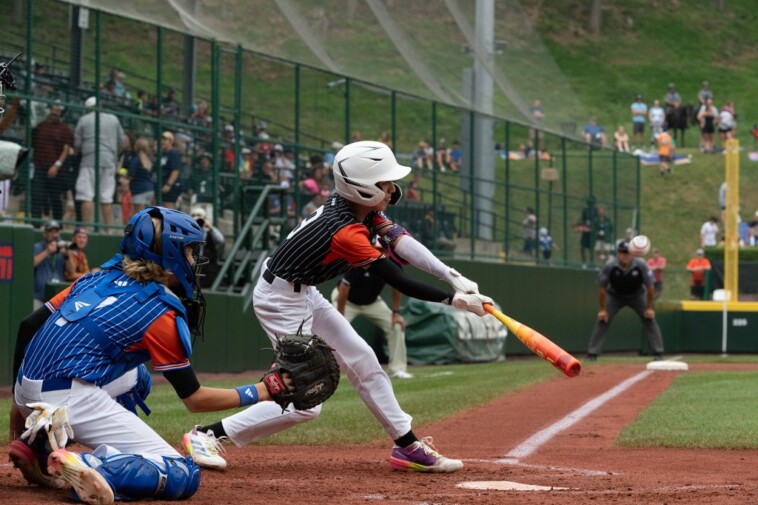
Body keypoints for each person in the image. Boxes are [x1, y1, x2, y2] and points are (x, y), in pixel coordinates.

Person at [182, 140, 492, 474]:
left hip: (304, 292)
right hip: (280, 300)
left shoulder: (358, 207)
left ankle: (407, 446)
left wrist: (452, 276)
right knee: (304, 398)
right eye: (385, 182)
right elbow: (397, 279)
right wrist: (452, 300)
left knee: (363, 358)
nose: (392, 188)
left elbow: (401, 241)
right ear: (362, 187)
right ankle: (204, 435)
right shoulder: (344, 230)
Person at [9, 206, 294, 503]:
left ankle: (40, 445)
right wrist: (262, 390)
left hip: (30, 390)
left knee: (138, 379)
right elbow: (194, 399)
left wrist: (20, 403)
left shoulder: (94, 279)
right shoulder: (160, 312)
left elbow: (28, 325)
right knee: (182, 474)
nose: (193, 259)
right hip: (66, 398)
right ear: (169, 254)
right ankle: (96, 466)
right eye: (189, 251)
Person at [332, 256, 413, 379]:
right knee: (332, 330)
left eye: (382, 249)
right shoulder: (359, 260)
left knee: (396, 326)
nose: (379, 252)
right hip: (346, 301)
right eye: (376, 248)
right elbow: (344, 289)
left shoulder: (392, 264)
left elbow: (398, 286)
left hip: (372, 303)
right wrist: (340, 318)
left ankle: (397, 369)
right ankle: (326, 370)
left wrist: (395, 313)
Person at [586, 240, 664, 361]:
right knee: (602, 320)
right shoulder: (610, 265)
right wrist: (602, 309)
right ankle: (592, 353)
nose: (625, 255)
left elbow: (650, 287)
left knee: (650, 319)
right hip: (615, 295)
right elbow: (602, 288)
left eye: (627, 253)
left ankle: (658, 352)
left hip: (637, 295)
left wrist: (649, 307)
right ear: (617, 253)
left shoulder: (641, 265)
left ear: (632, 254)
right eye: (622, 252)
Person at [74, 96, 125, 227]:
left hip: (89, 160)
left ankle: (86, 229)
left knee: (86, 195)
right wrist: (114, 153)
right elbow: (121, 142)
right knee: (106, 197)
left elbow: (77, 144)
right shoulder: (114, 119)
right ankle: (109, 229)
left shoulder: (83, 120)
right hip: (109, 161)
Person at [31, 102, 74, 222]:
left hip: (57, 169)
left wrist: (57, 165)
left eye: (58, 111)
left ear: (61, 113)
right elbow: (32, 142)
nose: (55, 113)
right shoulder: (41, 126)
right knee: (37, 196)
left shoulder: (64, 129)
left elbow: (66, 149)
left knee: (55, 199)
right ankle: (35, 223)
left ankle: (57, 225)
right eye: (53, 110)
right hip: (39, 166)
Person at [33, 220, 66, 309]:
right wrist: (47, 252)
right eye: (50, 231)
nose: (54, 234)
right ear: (45, 234)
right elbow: (31, 264)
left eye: (56, 232)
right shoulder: (38, 247)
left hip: (58, 298)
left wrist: (67, 256)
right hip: (40, 296)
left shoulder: (62, 249)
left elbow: (70, 271)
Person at [190, 206, 224, 288]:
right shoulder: (189, 231)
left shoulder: (209, 231)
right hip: (193, 264)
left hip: (207, 267)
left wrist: (210, 227)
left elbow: (221, 240)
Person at [157, 131, 183, 209]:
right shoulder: (162, 154)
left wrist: (169, 184)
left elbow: (175, 170)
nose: (162, 142)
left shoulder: (173, 153)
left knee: (168, 209)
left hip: (171, 188)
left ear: (171, 141)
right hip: (161, 185)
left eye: (165, 140)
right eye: (161, 140)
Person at [575, 195, 597, 265]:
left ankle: (592, 263)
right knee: (583, 246)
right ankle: (584, 263)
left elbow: (597, 220)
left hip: (592, 231)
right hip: (586, 230)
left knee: (592, 248)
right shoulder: (585, 210)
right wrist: (579, 224)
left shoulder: (595, 210)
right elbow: (582, 219)